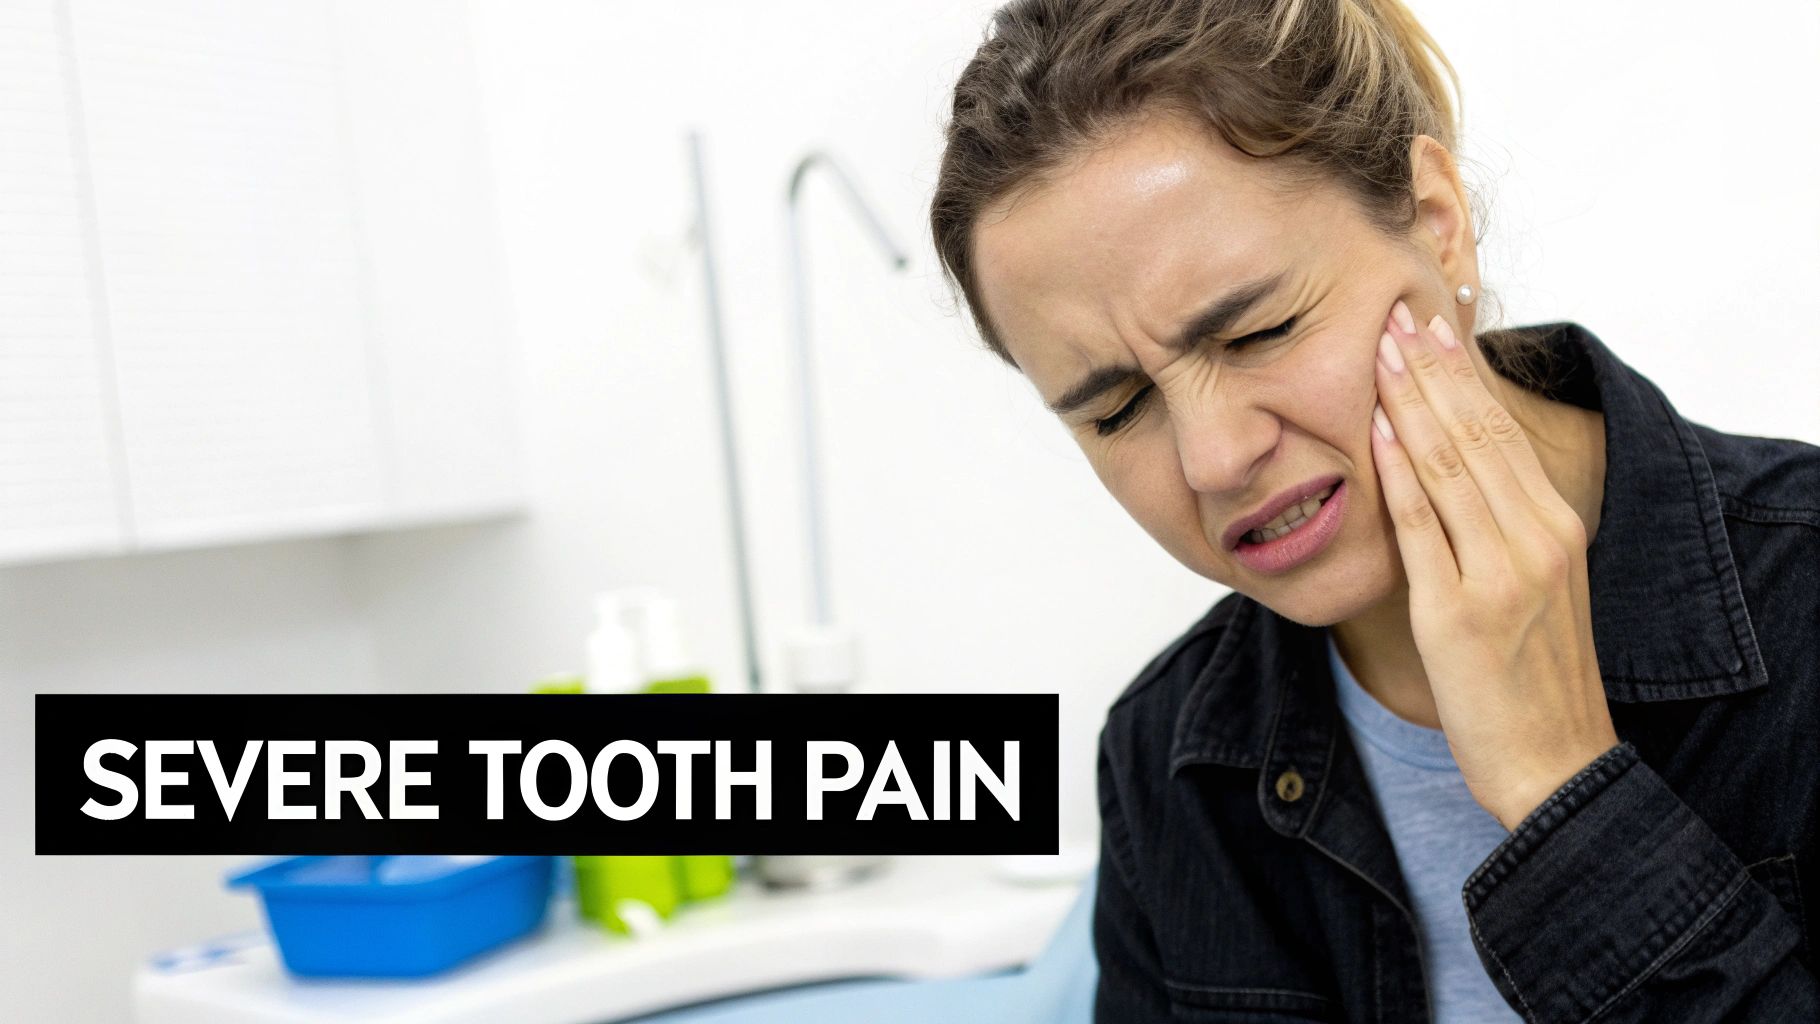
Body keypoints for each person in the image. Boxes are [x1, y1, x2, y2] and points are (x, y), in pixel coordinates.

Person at [927, 0, 1818, 1020]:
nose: (1217, 458)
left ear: (1437, 223)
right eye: (1116, 409)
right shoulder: (1166, 761)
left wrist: (1556, 785)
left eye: (1258, 329)